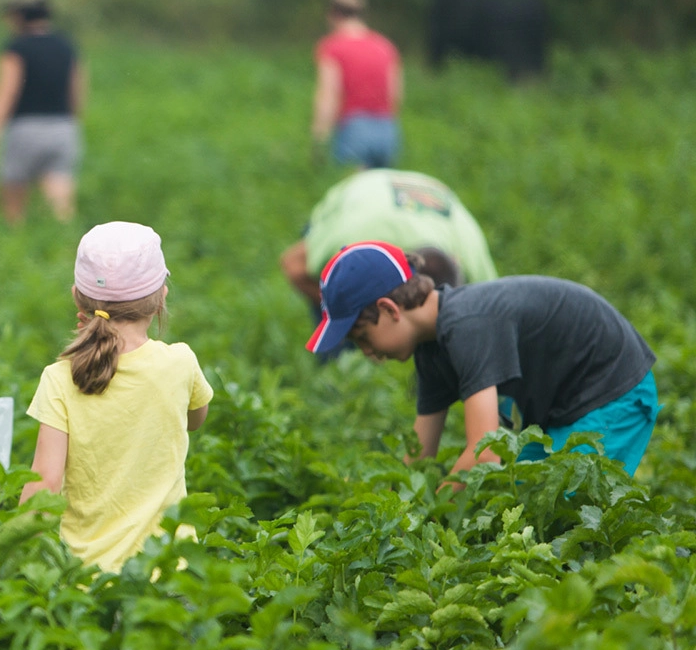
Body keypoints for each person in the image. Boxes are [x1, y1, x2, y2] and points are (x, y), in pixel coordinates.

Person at [306, 241, 660, 486]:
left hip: (614, 393)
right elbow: (420, 453)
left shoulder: (467, 325)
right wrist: (391, 512)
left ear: (389, 309)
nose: (367, 353)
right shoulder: (430, 348)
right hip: (563, 411)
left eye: (362, 338)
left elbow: (486, 450)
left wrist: (433, 513)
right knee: (519, 498)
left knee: (563, 511)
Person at [20, 222, 213, 572]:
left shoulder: (60, 378)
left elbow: (44, 482)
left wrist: (16, 552)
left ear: (77, 296)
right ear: (161, 298)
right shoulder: (180, 362)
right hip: (171, 569)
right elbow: (195, 419)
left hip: (88, 575)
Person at [280, 169, 498, 307]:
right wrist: (355, 319)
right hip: (364, 192)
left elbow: (490, 318)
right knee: (341, 316)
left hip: (428, 192)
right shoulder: (353, 245)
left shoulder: (473, 260)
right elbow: (293, 265)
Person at [0, 0, 85, 225]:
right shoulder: (67, 46)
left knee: (14, 211)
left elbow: (6, 93)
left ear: (17, 14)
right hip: (63, 128)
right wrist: (70, 124)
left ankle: (19, 248)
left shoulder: (16, 48)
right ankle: (67, 251)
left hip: (24, 130)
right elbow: (77, 93)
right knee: (62, 207)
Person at [312, 0, 402, 170]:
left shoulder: (333, 47)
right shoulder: (385, 46)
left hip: (354, 130)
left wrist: (319, 137)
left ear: (333, 14)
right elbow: (395, 95)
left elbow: (329, 94)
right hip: (387, 130)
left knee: (353, 193)